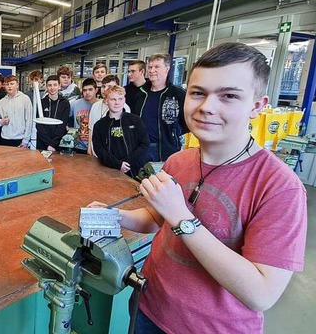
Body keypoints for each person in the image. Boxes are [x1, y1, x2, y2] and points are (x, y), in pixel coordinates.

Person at [88, 42, 307, 333]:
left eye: (228, 95)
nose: (206, 107)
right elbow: (156, 219)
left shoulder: (278, 186)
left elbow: (261, 293)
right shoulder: (179, 161)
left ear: (257, 106)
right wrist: (114, 217)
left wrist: (182, 218)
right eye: (197, 93)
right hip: (149, 308)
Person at [128, 53, 188, 162]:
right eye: (150, 67)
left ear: (167, 69)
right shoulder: (141, 93)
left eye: (157, 67)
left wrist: (174, 131)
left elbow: (188, 121)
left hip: (166, 149)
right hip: (140, 147)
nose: (152, 70)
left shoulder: (178, 94)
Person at [91, 85, 148, 177]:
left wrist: (126, 162)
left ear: (124, 100)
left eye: (120, 99)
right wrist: (117, 164)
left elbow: (144, 144)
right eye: (113, 99)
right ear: (106, 101)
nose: (117, 103)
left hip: (133, 169)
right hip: (108, 170)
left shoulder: (136, 120)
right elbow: (99, 149)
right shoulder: (99, 125)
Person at [88, 75, 132, 156]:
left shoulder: (123, 107)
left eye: (109, 86)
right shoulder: (95, 106)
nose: (105, 89)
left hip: (115, 154)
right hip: (96, 154)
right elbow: (91, 129)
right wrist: (89, 150)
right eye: (103, 86)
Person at [0, 75, 33, 148]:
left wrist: (26, 140)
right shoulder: (2, 102)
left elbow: (29, 120)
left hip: (20, 139)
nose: (9, 86)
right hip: (5, 139)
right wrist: (1, 122)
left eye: (12, 84)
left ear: (17, 85)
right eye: (7, 84)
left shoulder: (25, 99)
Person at [35, 75, 69, 151]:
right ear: (46, 87)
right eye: (49, 85)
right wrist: (48, 144)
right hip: (43, 143)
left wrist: (53, 144)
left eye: (55, 85)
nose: (52, 88)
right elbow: (39, 125)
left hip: (59, 143)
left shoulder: (65, 103)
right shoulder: (41, 103)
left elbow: (62, 125)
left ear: (59, 86)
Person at [69, 78, 98, 154]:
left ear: (96, 90)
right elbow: (65, 119)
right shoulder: (74, 104)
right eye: (85, 90)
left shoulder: (101, 105)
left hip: (95, 146)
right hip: (78, 147)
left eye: (90, 89)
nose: (87, 92)